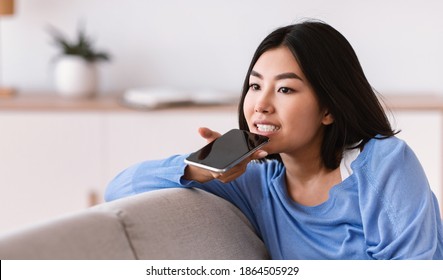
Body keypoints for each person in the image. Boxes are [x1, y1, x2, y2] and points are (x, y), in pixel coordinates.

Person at [105, 20, 443, 259]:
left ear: (329, 108)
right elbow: (119, 189)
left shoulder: (382, 163)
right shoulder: (254, 182)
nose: (261, 105)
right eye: (255, 86)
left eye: (284, 89)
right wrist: (202, 169)